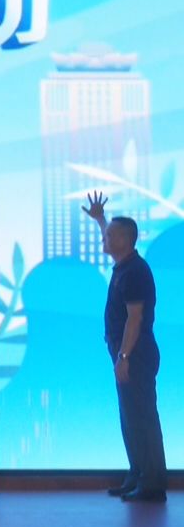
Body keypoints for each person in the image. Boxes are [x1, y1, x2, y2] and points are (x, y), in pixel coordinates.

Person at [84, 192, 166, 503]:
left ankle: (152, 482)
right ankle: (138, 473)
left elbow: (135, 318)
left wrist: (124, 356)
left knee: (142, 417)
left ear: (125, 239)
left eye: (108, 235)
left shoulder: (135, 271)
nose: (103, 239)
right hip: (127, 352)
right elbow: (111, 235)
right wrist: (100, 219)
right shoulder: (125, 265)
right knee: (130, 417)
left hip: (136, 353)